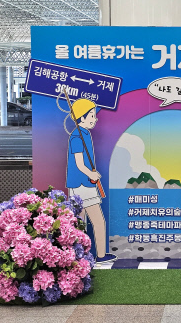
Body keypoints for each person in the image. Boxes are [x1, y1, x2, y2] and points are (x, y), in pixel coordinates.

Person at [66, 98, 116, 264]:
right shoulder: (77, 137)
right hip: (82, 184)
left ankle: (79, 257)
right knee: (96, 221)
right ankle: (100, 255)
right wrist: (91, 174)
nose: (95, 119)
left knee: (80, 222)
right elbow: (79, 163)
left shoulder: (84, 134)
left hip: (82, 183)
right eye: (92, 116)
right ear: (82, 117)